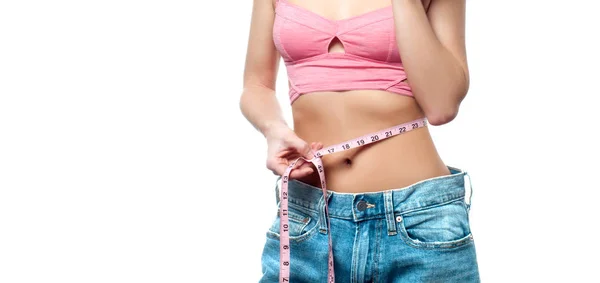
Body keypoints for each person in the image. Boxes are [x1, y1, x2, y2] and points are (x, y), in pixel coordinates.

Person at [240, 0, 480, 281]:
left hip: (418, 221)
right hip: (308, 218)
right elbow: (256, 85)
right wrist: (272, 128)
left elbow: (442, 106)